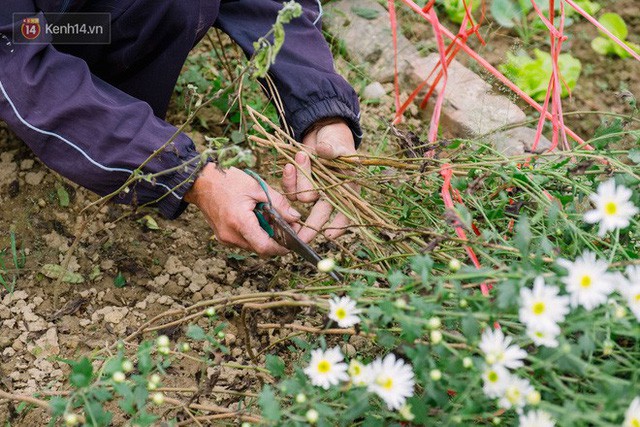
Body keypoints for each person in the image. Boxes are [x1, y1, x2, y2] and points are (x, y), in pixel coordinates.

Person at [0, 0, 362, 256]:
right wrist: (187, 173)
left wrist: (322, 112)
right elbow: (18, 62)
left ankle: (112, 108)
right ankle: (98, 127)